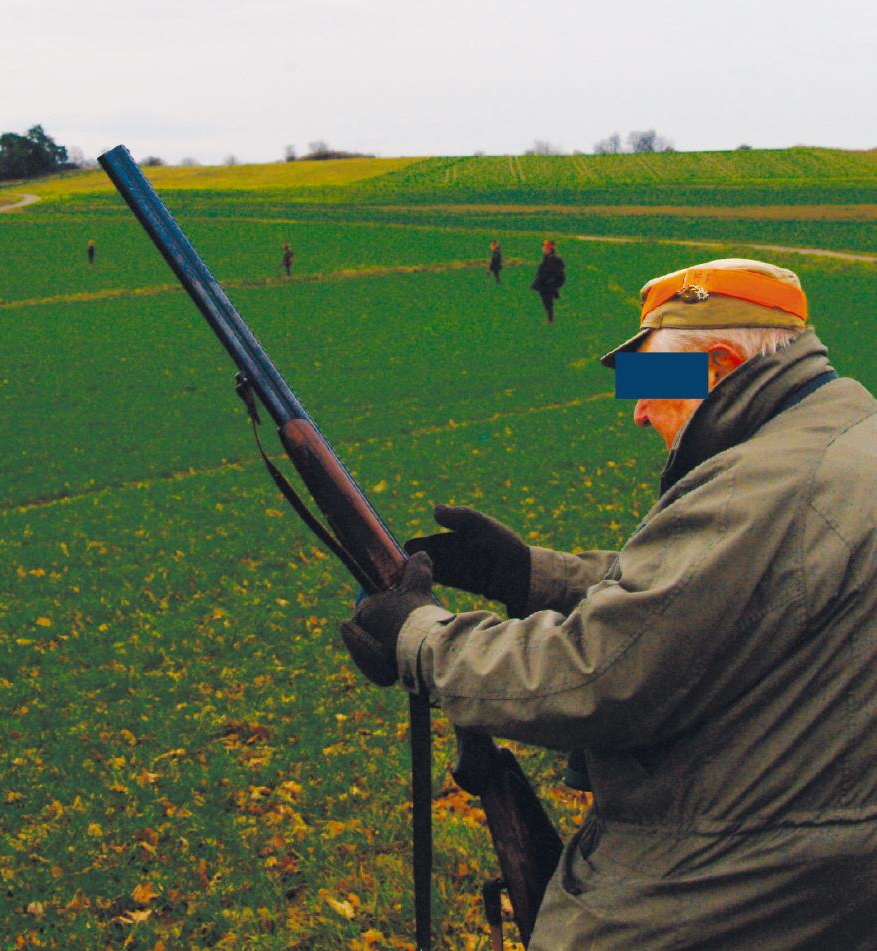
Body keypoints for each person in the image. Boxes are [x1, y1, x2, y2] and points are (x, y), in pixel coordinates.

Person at [339, 258, 877, 948]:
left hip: (732, 871)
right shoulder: (839, 434)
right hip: (827, 852)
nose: (640, 409)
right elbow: (721, 593)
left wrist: (420, 637)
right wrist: (534, 575)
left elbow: (596, 673)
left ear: (716, 365)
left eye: (655, 381)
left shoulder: (763, 484)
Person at [530, 240, 565, 323]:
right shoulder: (547, 257)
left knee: (547, 302)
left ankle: (550, 320)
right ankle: (550, 318)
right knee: (546, 301)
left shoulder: (552, 259)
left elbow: (550, 272)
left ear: (550, 249)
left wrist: (545, 281)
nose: (543, 249)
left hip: (547, 284)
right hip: (546, 283)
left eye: (545, 247)